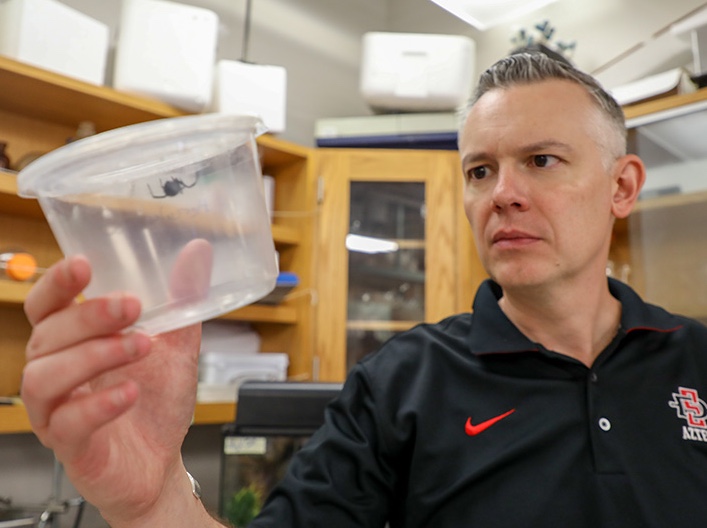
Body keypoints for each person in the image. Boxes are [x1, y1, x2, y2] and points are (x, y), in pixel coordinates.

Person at [20, 52, 707, 527]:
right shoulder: (399, 382)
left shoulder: (695, 359)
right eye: (478, 171)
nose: (503, 195)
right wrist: (152, 503)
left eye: (540, 161)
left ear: (621, 187)